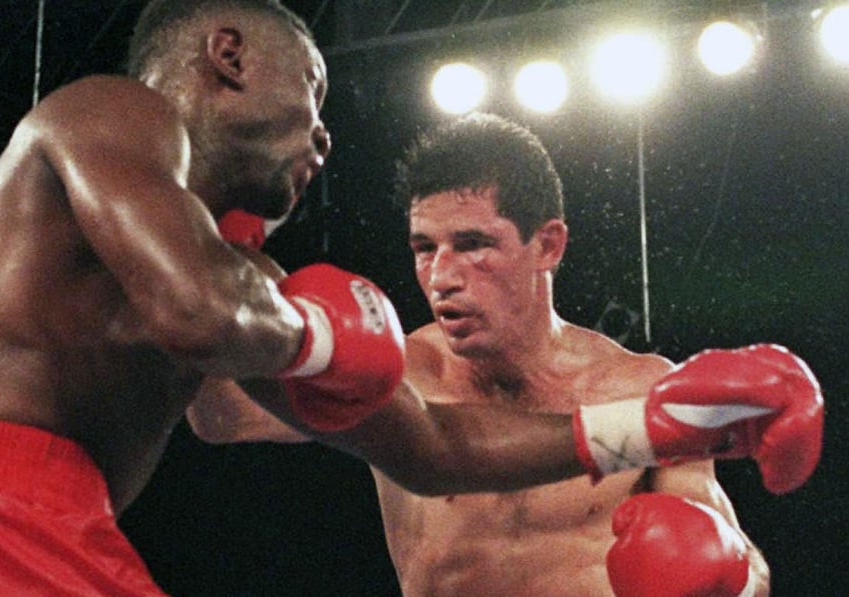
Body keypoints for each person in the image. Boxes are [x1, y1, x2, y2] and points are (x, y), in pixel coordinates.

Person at [0, 0, 821, 592]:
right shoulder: (110, 114)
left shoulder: (254, 291)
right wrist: (312, 336)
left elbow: (436, 451)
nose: (324, 137)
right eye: (312, 94)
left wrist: (655, 419)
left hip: (30, 528)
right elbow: (197, 316)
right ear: (228, 58)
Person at [189, 114, 824, 596]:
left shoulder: (637, 387)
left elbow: (739, 558)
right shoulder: (399, 374)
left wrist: (726, 573)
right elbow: (221, 416)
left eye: (472, 244)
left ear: (547, 245)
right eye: (423, 248)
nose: (441, 276)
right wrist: (208, 236)